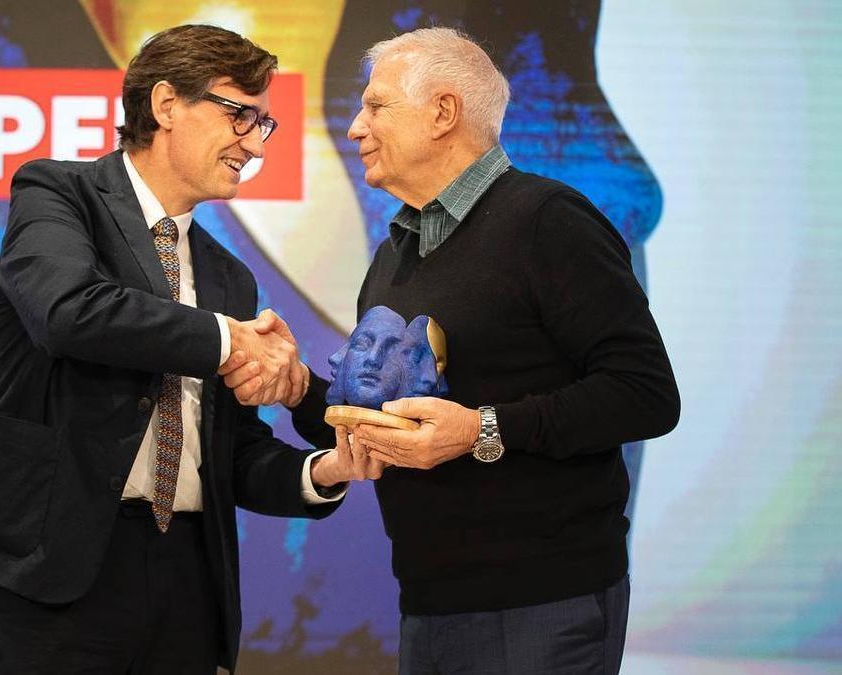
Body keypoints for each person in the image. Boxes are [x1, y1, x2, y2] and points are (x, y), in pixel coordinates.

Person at [0, 24, 378, 674]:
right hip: (52, 577)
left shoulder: (229, 276)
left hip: (188, 583)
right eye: (240, 116)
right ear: (166, 104)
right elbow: (68, 311)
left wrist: (319, 472)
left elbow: (228, 450)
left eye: (265, 125)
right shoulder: (59, 195)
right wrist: (226, 340)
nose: (254, 144)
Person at [288, 27, 680, 674]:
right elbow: (384, 424)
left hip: (543, 608)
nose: (355, 126)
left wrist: (481, 429)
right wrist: (294, 388)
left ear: (443, 112)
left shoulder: (549, 221)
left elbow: (645, 394)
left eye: (377, 106)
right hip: (426, 606)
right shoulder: (394, 254)